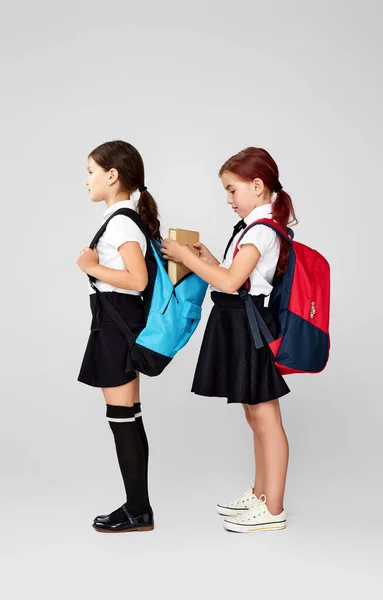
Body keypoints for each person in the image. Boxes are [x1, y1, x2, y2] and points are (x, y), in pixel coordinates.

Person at [161, 147, 297, 533]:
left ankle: (274, 509)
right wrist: (207, 259)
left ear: (257, 186)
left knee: (265, 416)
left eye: (232, 190)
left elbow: (230, 282)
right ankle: (261, 495)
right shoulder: (256, 228)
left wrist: (189, 260)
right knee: (255, 414)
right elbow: (234, 277)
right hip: (241, 323)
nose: (228, 200)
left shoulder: (259, 231)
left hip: (250, 325)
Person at [76, 140, 160, 533]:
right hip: (118, 322)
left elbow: (137, 280)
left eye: (91, 172)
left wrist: (90, 266)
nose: (87, 180)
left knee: (123, 419)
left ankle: (138, 511)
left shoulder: (123, 222)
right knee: (128, 418)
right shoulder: (124, 218)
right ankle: (137, 508)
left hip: (117, 324)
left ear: (112, 176)